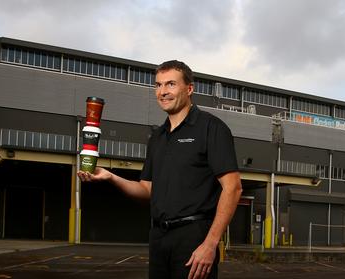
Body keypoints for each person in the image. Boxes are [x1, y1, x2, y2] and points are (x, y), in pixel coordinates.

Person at [78, 60, 242, 279]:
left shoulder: (211, 128)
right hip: (158, 238)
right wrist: (110, 177)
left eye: (171, 84)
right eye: (158, 85)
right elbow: (146, 190)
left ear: (189, 89)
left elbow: (233, 189)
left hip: (194, 238)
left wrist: (211, 244)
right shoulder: (157, 137)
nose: (163, 92)